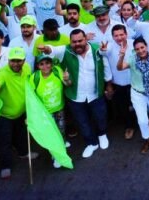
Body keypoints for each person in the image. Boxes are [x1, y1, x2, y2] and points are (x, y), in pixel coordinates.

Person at [40, 29, 113, 159]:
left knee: (100, 116)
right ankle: (91, 143)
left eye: (80, 41)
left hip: (96, 93)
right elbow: (53, 50)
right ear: (70, 42)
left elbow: (106, 66)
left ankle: (102, 135)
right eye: (74, 42)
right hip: (75, 95)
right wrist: (46, 48)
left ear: (86, 39)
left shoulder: (97, 49)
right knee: (82, 121)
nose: (77, 44)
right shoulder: (65, 50)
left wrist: (108, 84)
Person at [0, 47, 35, 179]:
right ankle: (5, 166)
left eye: (19, 61)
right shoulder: (2, 73)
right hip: (4, 115)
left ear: (24, 60)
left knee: (22, 135)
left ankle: (24, 153)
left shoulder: (27, 68)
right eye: (12, 61)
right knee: (4, 141)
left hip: (22, 112)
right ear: (8, 60)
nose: (15, 64)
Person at [116, 37, 149, 154]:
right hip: (138, 93)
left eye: (142, 47)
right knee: (142, 120)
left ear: (146, 46)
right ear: (135, 50)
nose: (140, 50)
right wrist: (121, 56)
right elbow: (119, 68)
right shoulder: (132, 59)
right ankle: (148, 139)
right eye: (137, 49)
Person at [31, 53, 72, 168]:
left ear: (51, 63)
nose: (45, 66)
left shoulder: (57, 71)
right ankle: (56, 155)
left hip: (59, 109)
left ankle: (62, 144)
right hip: (46, 113)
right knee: (52, 134)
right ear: (38, 66)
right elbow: (31, 97)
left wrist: (67, 79)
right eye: (41, 64)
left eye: (47, 63)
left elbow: (68, 84)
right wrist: (30, 114)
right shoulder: (34, 78)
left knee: (61, 130)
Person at [101, 24, 137, 140]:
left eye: (121, 34)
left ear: (126, 34)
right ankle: (129, 127)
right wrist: (102, 50)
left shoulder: (134, 44)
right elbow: (103, 53)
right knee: (123, 107)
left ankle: (143, 123)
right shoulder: (109, 47)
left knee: (138, 105)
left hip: (136, 82)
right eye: (116, 36)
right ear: (112, 37)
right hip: (118, 83)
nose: (119, 37)